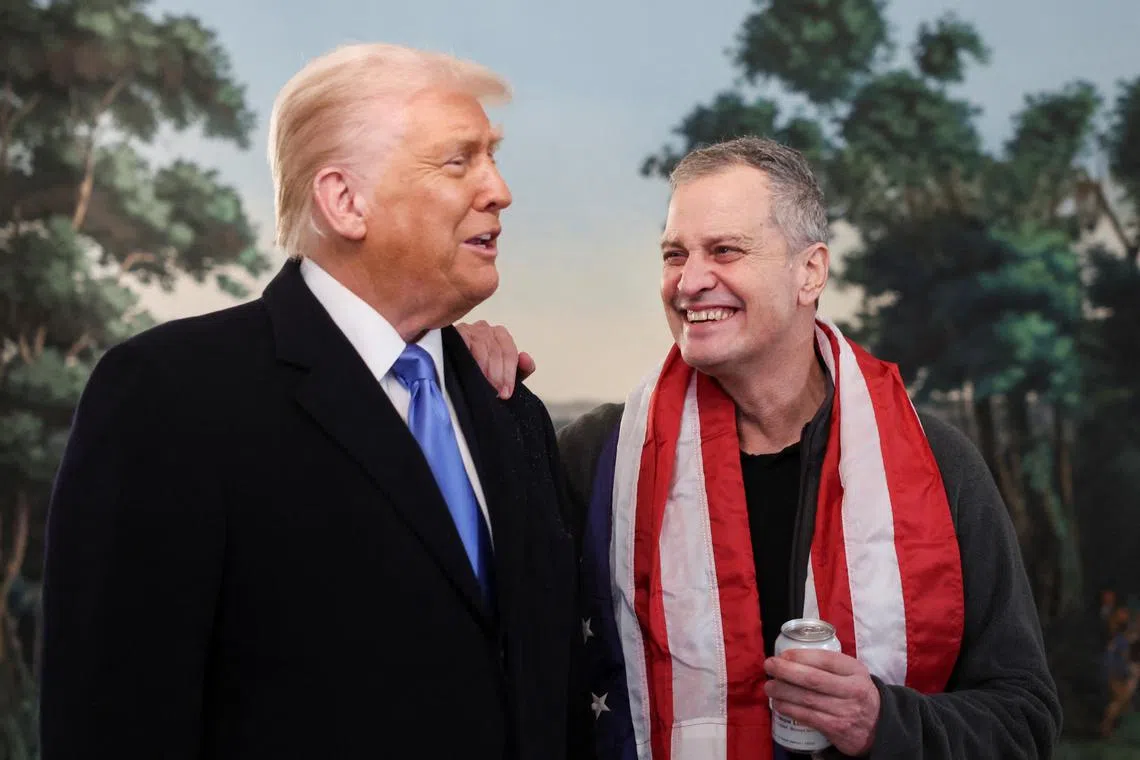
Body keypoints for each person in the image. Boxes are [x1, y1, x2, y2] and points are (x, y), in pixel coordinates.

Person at [40, 43, 578, 760]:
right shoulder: (171, 397)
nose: (499, 190)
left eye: (493, 156)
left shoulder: (510, 407)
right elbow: (110, 721)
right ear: (344, 201)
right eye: (459, 161)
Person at [459, 136, 1062, 758]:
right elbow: (487, 645)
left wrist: (883, 721)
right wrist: (459, 383)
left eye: (725, 250)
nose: (690, 281)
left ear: (810, 272)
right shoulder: (599, 460)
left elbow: (1023, 720)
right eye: (674, 254)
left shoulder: (936, 465)